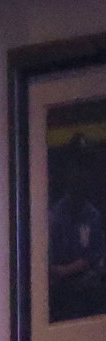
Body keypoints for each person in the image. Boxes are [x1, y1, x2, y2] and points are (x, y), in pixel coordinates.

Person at [48, 133, 106, 321]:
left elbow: (96, 259)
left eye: (87, 167)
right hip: (62, 301)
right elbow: (48, 268)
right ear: (67, 171)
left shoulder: (93, 216)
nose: (82, 174)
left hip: (89, 301)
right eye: (77, 166)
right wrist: (73, 269)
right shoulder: (54, 217)